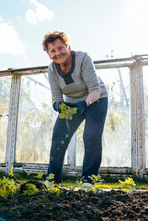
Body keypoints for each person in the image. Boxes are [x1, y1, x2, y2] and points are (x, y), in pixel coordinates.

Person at [42, 31, 108, 187]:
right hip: (72, 104)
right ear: (49, 55)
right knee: (59, 136)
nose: (58, 53)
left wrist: (84, 104)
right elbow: (56, 97)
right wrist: (58, 105)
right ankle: (52, 180)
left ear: (68, 47)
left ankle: (88, 181)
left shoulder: (83, 59)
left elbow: (95, 90)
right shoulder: (52, 70)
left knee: (91, 135)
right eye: (53, 50)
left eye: (61, 48)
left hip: (96, 99)